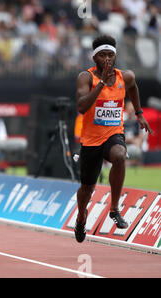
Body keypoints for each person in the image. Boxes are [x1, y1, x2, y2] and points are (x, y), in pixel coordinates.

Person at [74, 34, 153, 243]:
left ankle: (114, 208)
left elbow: (133, 87)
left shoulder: (124, 77)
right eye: (103, 55)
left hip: (113, 133)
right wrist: (100, 83)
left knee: (119, 155)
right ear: (95, 58)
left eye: (111, 55)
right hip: (91, 140)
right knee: (86, 189)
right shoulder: (86, 77)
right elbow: (81, 107)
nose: (107, 59)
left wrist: (139, 114)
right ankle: (81, 216)